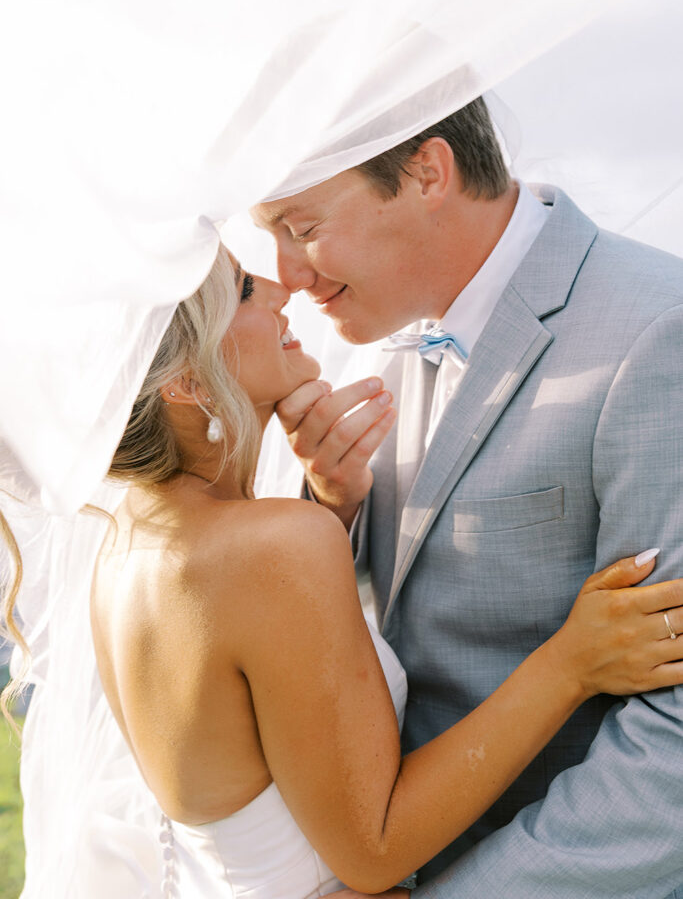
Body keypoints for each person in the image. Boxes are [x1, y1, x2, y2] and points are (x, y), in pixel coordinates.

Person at [7, 241, 671, 899]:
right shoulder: (265, 545)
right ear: (182, 380)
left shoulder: (131, 540)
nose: (278, 289)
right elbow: (374, 850)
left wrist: (334, 508)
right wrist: (570, 666)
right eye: (241, 291)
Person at [251, 96, 683, 897]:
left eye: (301, 227)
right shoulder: (375, 341)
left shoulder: (657, 331)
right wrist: (334, 508)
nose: (286, 275)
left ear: (425, 172)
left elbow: (672, 745)